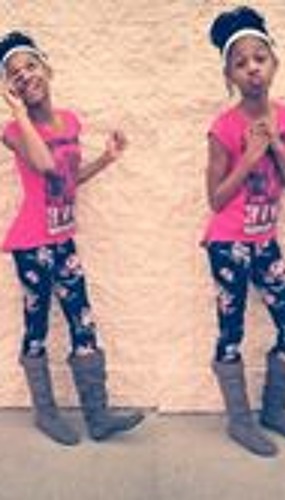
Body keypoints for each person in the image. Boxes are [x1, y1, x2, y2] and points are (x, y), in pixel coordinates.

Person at [0, 31, 144, 445]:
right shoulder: (13, 130)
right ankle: (46, 415)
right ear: (9, 88)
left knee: (83, 322)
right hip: (31, 245)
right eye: (14, 74)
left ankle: (98, 416)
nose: (25, 76)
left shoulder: (71, 121)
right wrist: (18, 112)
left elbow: (65, 181)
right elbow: (45, 164)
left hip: (62, 241)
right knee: (36, 327)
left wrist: (105, 159)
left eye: (30, 66)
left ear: (47, 68)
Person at [204, 6, 285, 457]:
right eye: (241, 63)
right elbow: (215, 199)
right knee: (231, 333)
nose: (252, 68)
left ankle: (273, 410)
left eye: (260, 58)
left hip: (265, 242)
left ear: (274, 64)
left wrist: (278, 149)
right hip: (228, 244)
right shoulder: (223, 127)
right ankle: (240, 422)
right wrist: (249, 158)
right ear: (229, 75)